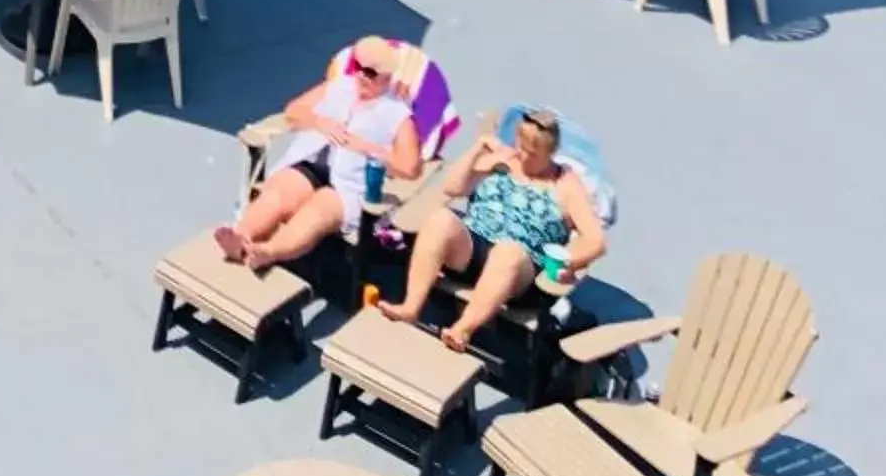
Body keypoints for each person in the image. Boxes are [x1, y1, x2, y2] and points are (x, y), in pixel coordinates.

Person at [380, 108, 606, 351]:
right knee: (440, 220)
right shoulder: (504, 158)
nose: (523, 156)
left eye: (533, 154)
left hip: (520, 270)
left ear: (550, 153)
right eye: (521, 146)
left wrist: (569, 263)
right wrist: (478, 148)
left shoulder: (566, 184)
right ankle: (411, 307)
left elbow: (596, 241)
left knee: (507, 252)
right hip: (473, 247)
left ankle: (462, 330)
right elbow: (452, 187)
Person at [214, 39, 425, 275]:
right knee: (278, 194)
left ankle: (267, 252)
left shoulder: (397, 112)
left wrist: (366, 147)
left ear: (386, 78)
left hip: (348, 184)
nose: (360, 75)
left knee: (317, 214)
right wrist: (318, 122)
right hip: (310, 163)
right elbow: (293, 111)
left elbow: (411, 167)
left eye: (369, 72)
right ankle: (240, 237)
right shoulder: (338, 86)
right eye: (356, 66)